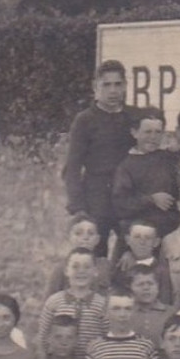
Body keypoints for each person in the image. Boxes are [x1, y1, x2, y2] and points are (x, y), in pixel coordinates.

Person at [62, 60, 140, 256]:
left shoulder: (134, 117)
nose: (113, 91)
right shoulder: (85, 120)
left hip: (127, 198)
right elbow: (72, 168)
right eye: (107, 85)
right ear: (95, 86)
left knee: (132, 255)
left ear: (125, 86)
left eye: (118, 84)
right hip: (96, 199)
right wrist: (79, 208)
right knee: (95, 257)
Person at [110, 107, 180, 250]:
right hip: (138, 240)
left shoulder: (170, 158)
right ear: (134, 132)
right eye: (147, 132)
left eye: (158, 132)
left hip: (169, 236)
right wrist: (151, 199)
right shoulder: (126, 166)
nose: (153, 137)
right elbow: (120, 204)